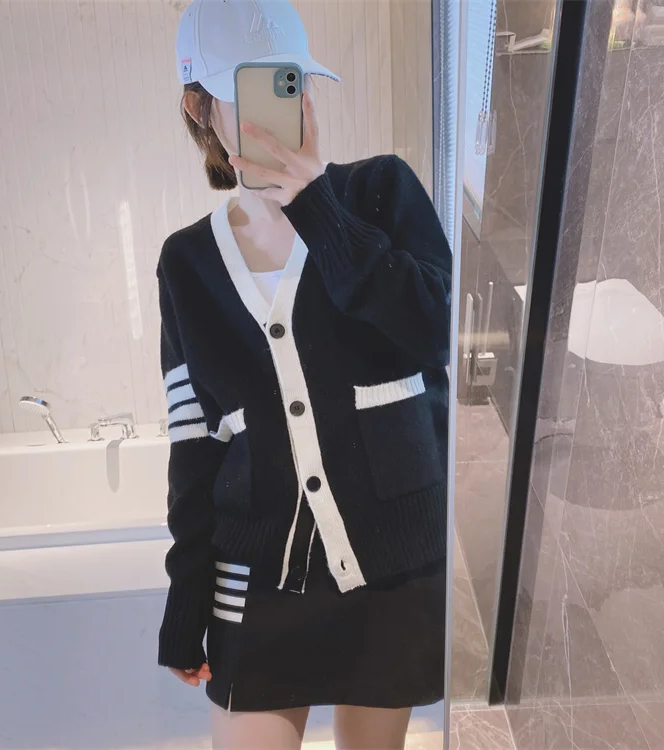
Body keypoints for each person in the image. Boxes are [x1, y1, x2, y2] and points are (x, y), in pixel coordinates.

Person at [158, 1, 453, 748]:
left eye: (288, 80)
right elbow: (195, 444)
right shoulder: (187, 261)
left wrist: (317, 204)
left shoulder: (380, 192)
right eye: (251, 86)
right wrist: (185, 601)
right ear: (199, 106)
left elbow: (436, 332)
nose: (278, 104)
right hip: (257, 581)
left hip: (391, 567)